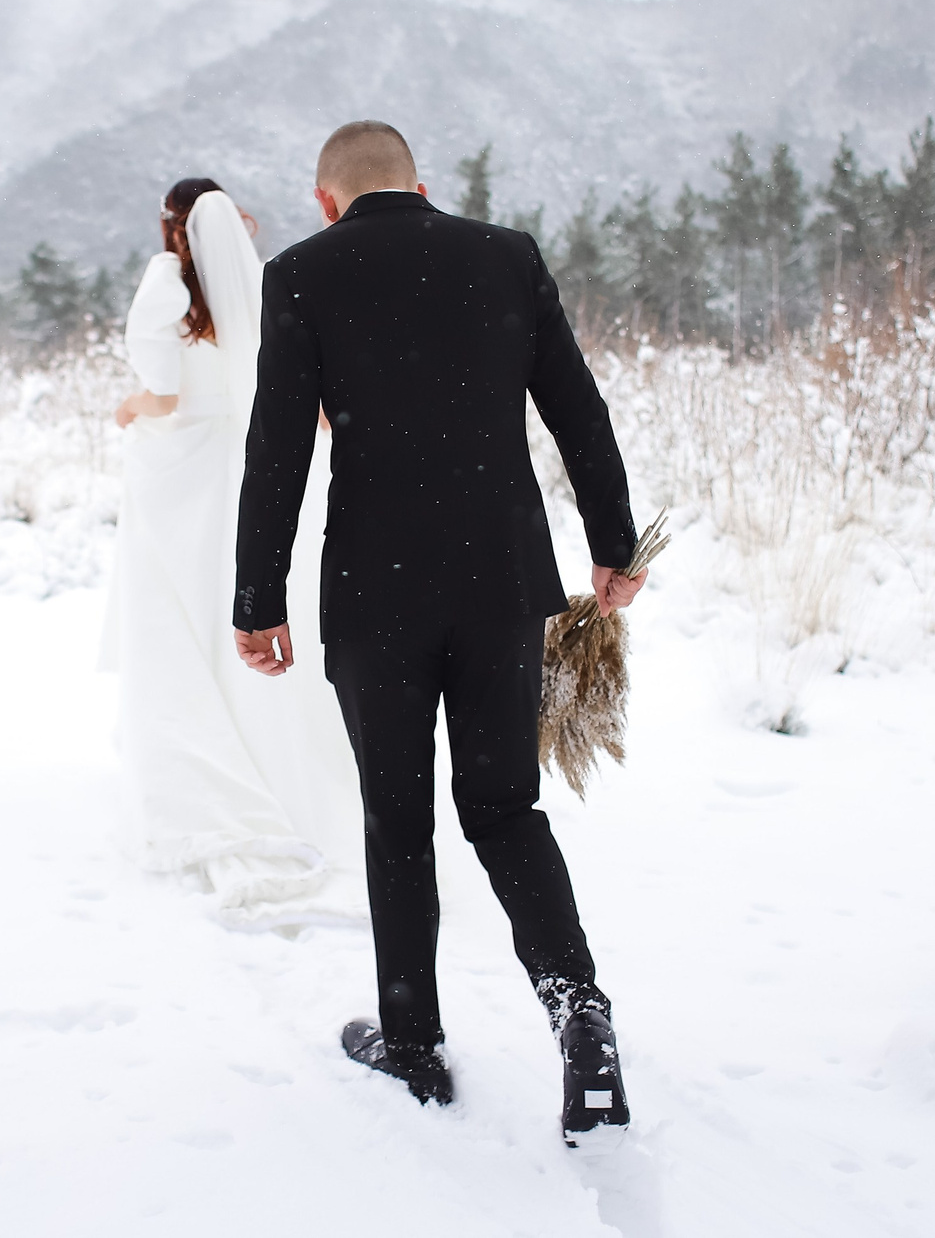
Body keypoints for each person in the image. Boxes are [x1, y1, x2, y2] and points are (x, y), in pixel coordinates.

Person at [231, 122, 646, 1148]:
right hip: (501, 580)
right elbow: (576, 410)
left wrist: (257, 599)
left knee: (397, 818)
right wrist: (614, 545)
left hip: (376, 592)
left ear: (325, 199)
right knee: (505, 807)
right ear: (422, 186)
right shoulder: (505, 255)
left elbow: (276, 450)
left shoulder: (299, 276)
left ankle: (413, 1042)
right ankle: (579, 1014)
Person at [100, 178, 362, 927]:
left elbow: (164, 392)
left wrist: (126, 407)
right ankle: (272, 749)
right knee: (233, 601)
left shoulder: (165, 281)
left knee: (176, 612)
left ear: (170, 225)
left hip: (181, 470)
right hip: (246, 464)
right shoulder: (261, 280)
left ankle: (195, 763)